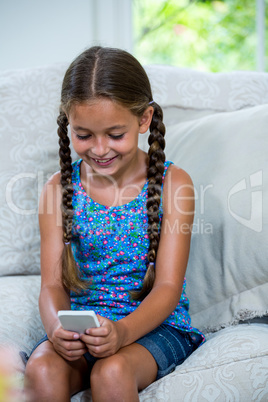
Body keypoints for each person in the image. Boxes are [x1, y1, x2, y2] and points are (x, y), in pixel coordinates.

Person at [24, 46, 204, 401]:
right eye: (85, 135)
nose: (100, 149)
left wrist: (120, 334)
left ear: (144, 119)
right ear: (68, 124)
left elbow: (168, 287)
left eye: (115, 134)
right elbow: (52, 285)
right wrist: (55, 325)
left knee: (111, 371)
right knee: (41, 369)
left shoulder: (174, 184)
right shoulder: (57, 190)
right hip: (85, 329)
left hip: (153, 328)